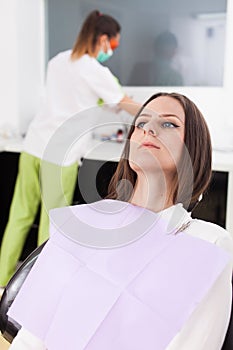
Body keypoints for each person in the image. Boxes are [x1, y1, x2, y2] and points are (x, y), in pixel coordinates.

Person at [8, 92, 233, 349]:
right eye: (141, 124)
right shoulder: (84, 226)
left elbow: (197, 343)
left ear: (193, 148)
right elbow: (34, 334)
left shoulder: (207, 243)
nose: (149, 130)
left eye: (168, 123)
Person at [0, 10, 139, 287]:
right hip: (59, 153)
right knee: (52, 223)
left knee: (19, 215)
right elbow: (125, 104)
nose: (111, 51)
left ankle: (2, 281)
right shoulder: (94, 70)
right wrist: (156, 116)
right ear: (102, 39)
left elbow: (74, 99)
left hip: (33, 146)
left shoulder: (58, 60)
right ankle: (40, 288)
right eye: (113, 46)